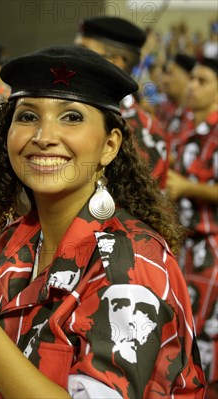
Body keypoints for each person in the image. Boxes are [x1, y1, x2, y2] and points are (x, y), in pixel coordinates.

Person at [0, 45, 206, 399]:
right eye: (27, 116)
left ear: (109, 145)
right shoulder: (13, 244)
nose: (43, 137)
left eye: (71, 117)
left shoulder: (130, 262)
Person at [167, 57, 218, 394]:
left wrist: (187, 188)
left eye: (202, 80)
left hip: (212, 247)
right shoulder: (183, 126)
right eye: (192, 79)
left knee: (208, 334)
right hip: (184, 246)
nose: (192, 85)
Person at [75, 16, 170, 188]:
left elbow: (140, 206)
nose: (72, 58)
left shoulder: (142, 132)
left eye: (83, 51)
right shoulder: (72, 109)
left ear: (114, 61)